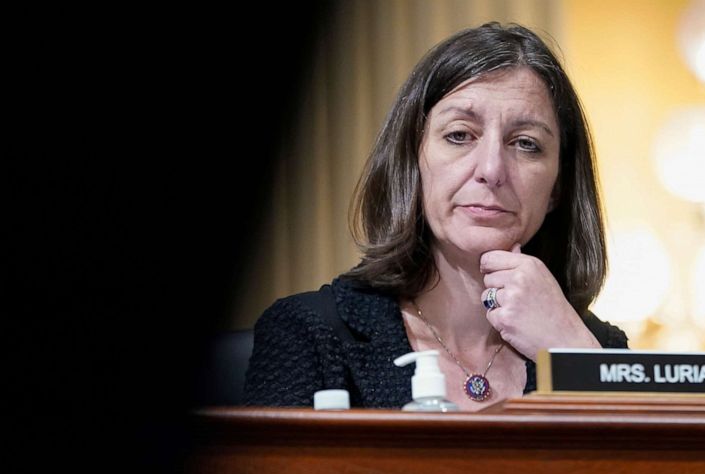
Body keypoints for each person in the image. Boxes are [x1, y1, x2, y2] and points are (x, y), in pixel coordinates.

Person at [244, 22, 628, 410]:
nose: (492, 169)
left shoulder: (598, 347)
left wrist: (571, 354)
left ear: (557, 187)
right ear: (413, 160)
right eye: (460, 135)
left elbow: (645, 468)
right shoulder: (309, 336)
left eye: (526, 144)